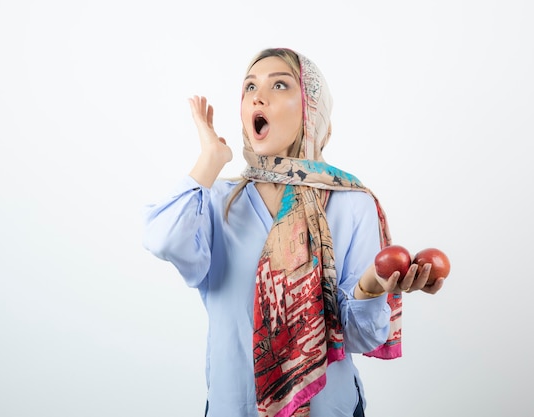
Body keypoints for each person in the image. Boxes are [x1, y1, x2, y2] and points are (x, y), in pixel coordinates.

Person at [142, 47, 445, 417]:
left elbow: (359, 336)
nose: (258, 96)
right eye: (249, 87)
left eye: (280, 85)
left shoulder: (352, 203)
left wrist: (370, 287)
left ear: (310, 110)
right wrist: (209, 161)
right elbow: (162, 239)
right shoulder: (215, 201)